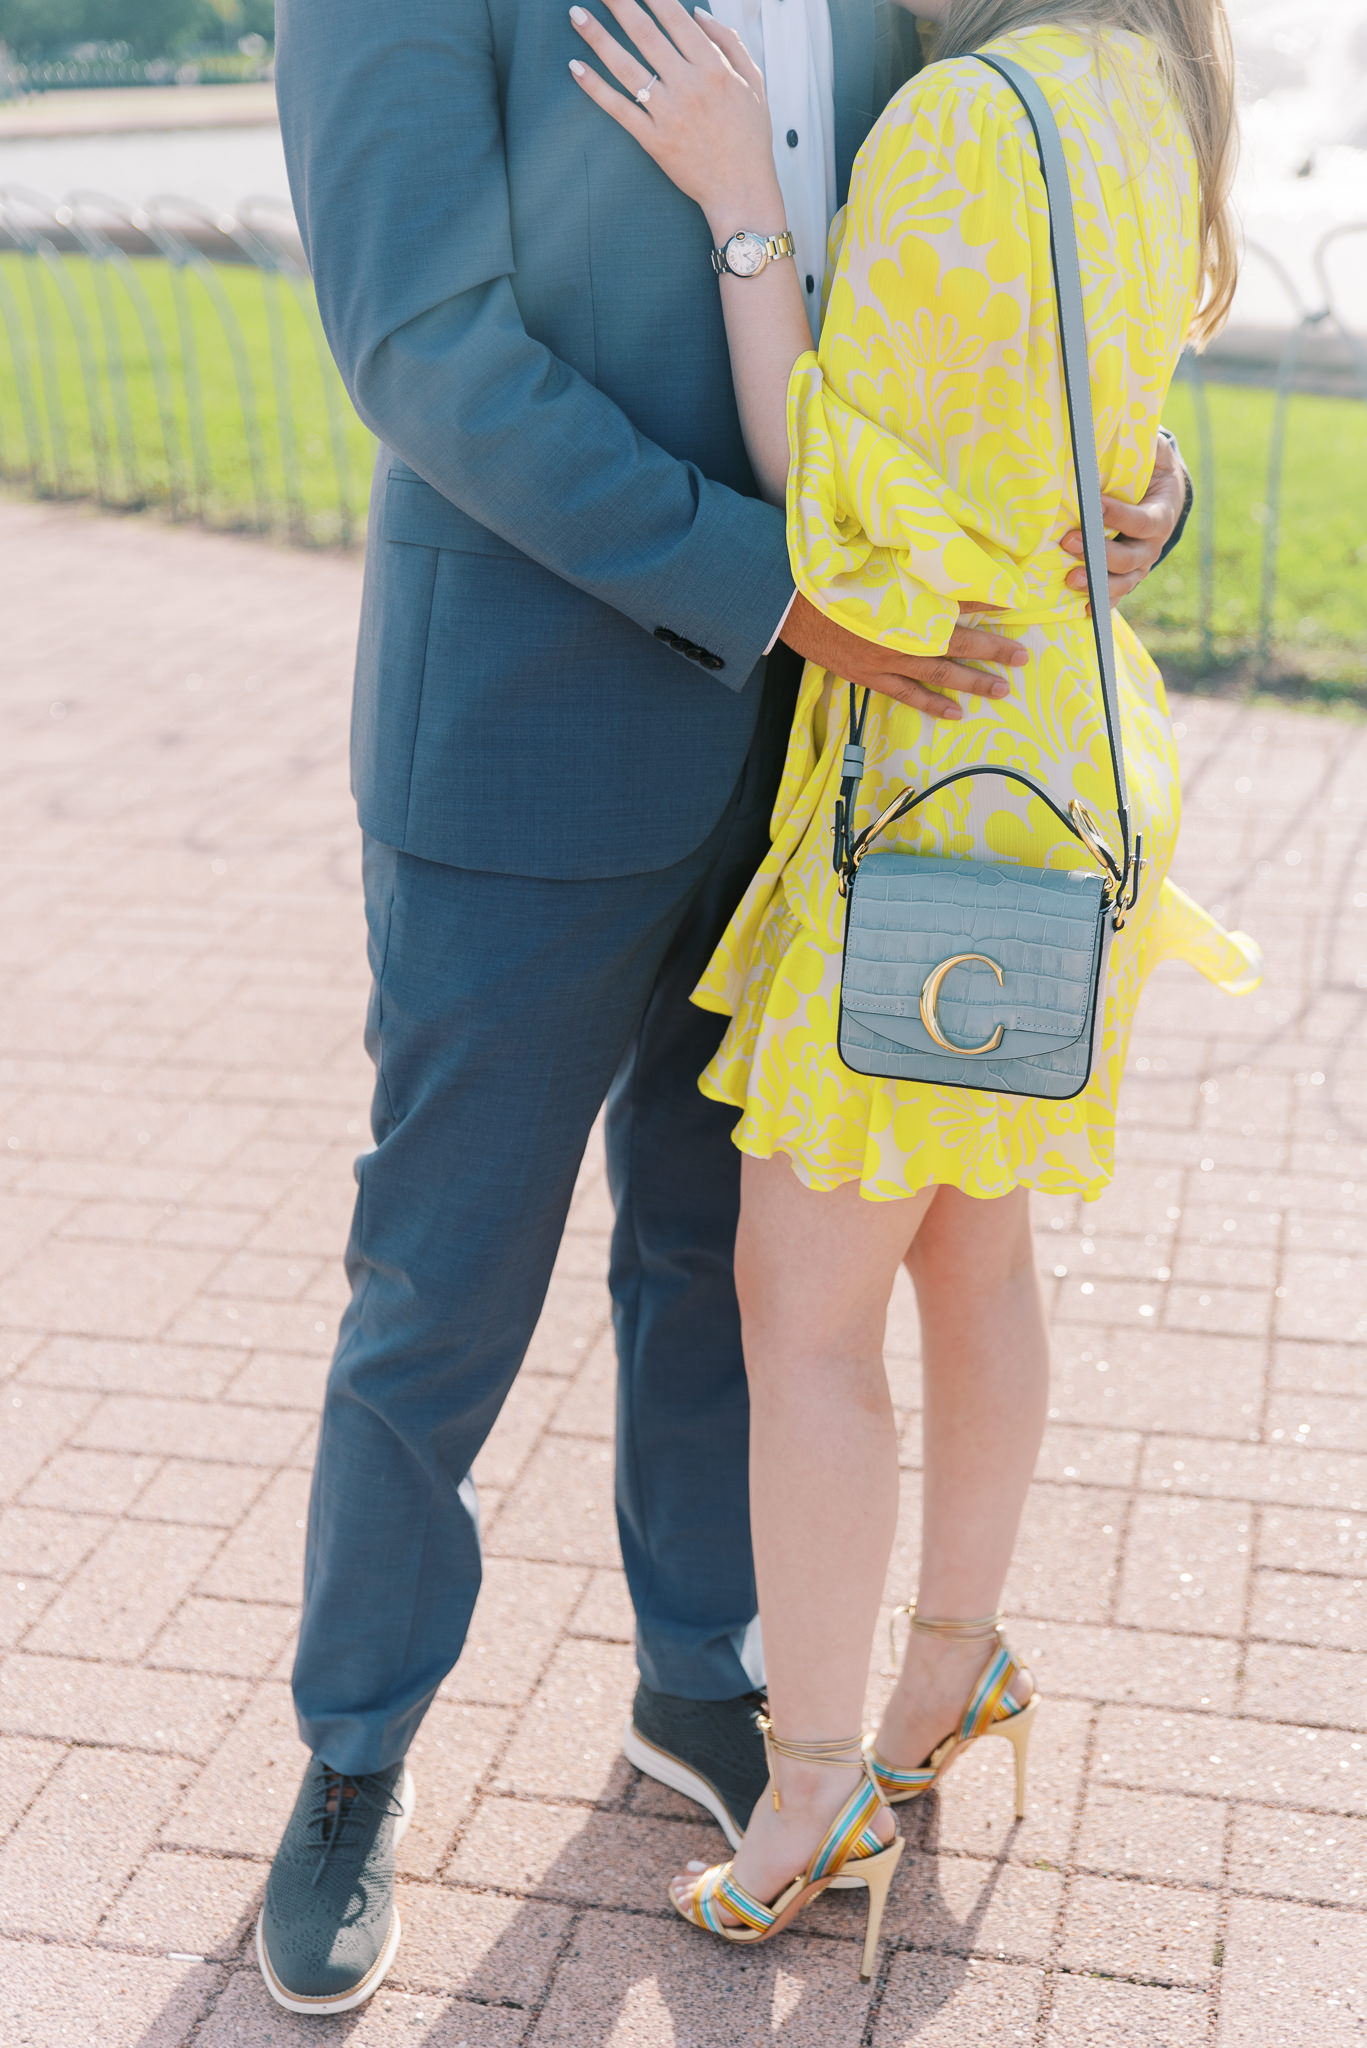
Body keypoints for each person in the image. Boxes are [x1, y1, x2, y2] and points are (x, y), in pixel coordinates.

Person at [260, 0, 1191, 2012]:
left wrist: (1142, 478)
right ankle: (353, 1754)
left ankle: (706, 1676)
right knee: (441, 1284)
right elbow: (424, 346)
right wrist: (778, 587)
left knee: (726, 1261)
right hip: (526, 743)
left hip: (820, 775)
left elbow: (959, 275)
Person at [569, 0, 1259, 1970]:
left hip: (940, 777)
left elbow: (843, 515)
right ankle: (947, 1671)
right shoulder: (1149, 91)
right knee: (974, 1251)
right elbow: (1098, 446)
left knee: (802, 1303)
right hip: (1066, 769)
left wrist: (737, 209)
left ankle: (809, 1786)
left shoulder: (968, 115)